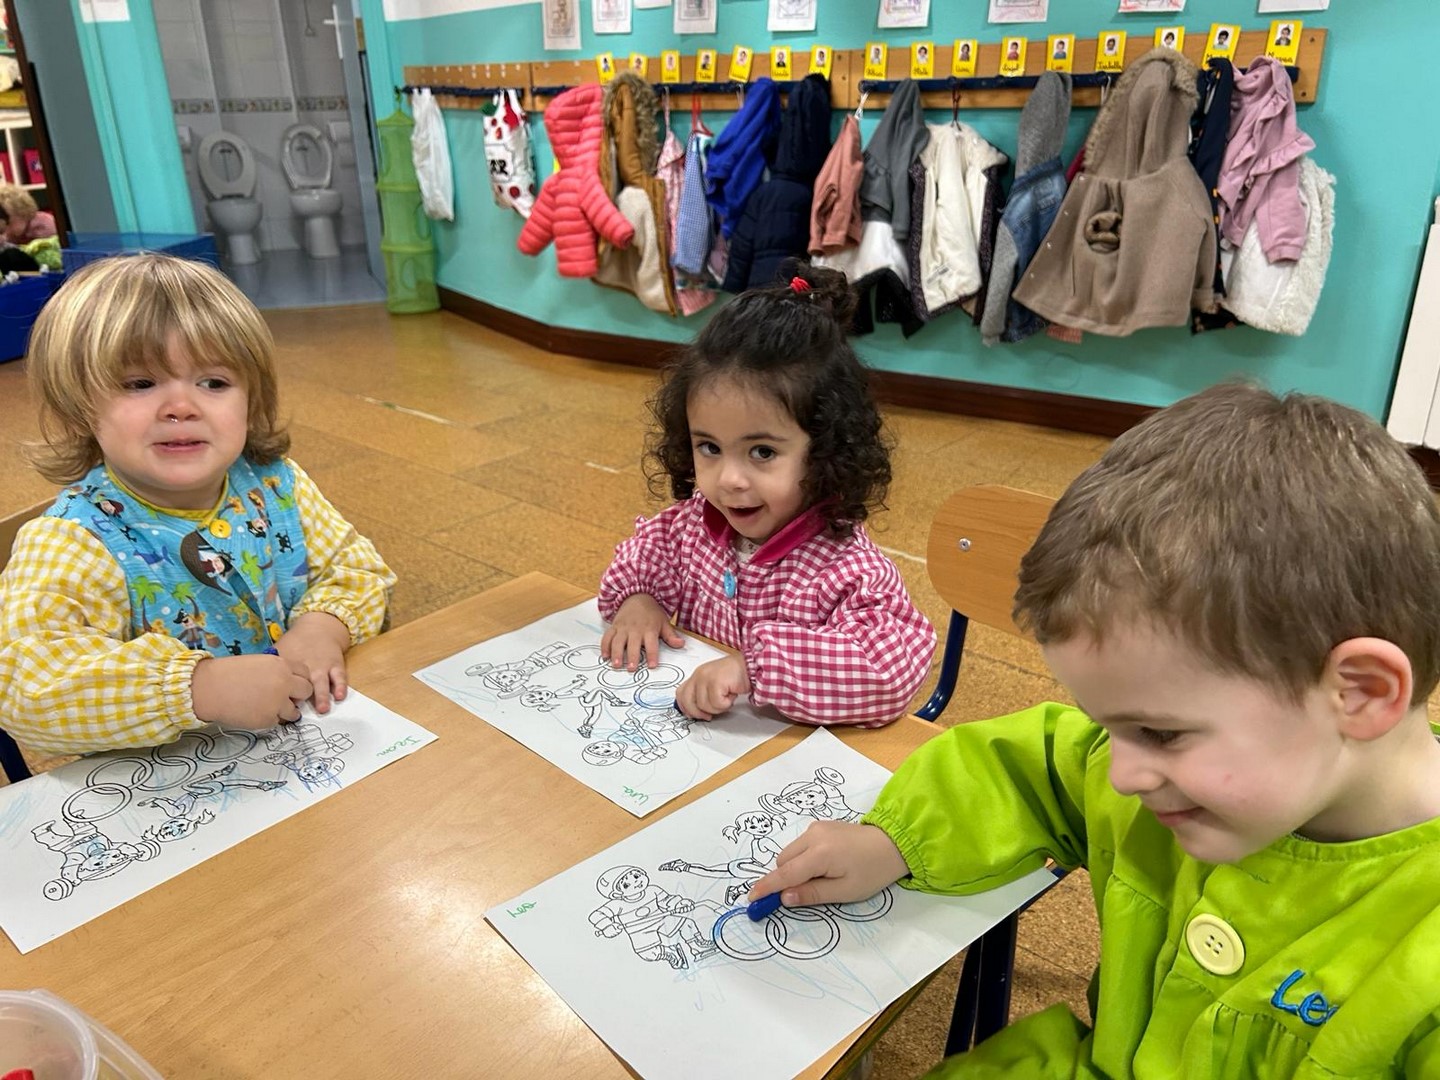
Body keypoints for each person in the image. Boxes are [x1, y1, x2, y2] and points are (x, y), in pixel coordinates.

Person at [750, 382, 1440, 1074]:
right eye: (1111, 726)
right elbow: (1033, 766)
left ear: (1360, 693)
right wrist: (894, 841)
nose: (1122, 773)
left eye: (1162, 734)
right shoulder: (1191, 773)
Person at [0, 254, 395, 756]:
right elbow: (24, 686)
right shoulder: (72, 539)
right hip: (166, 781)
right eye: (140, 384)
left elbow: (359, 569)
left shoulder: (275, 485)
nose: (182, 407)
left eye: (214, 383)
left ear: (252, 401)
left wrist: (325, 625)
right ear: (78, 409)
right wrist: (194, 688)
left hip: (304, 750)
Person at [597, 267, 936, 727]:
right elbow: (644, 556)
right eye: (709, 447)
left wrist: (753, 668)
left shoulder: (847, 569)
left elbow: (889, 672)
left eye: (762, 452)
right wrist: (639, 599)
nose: (730, 479)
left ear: (826, 450)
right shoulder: (693, 524)